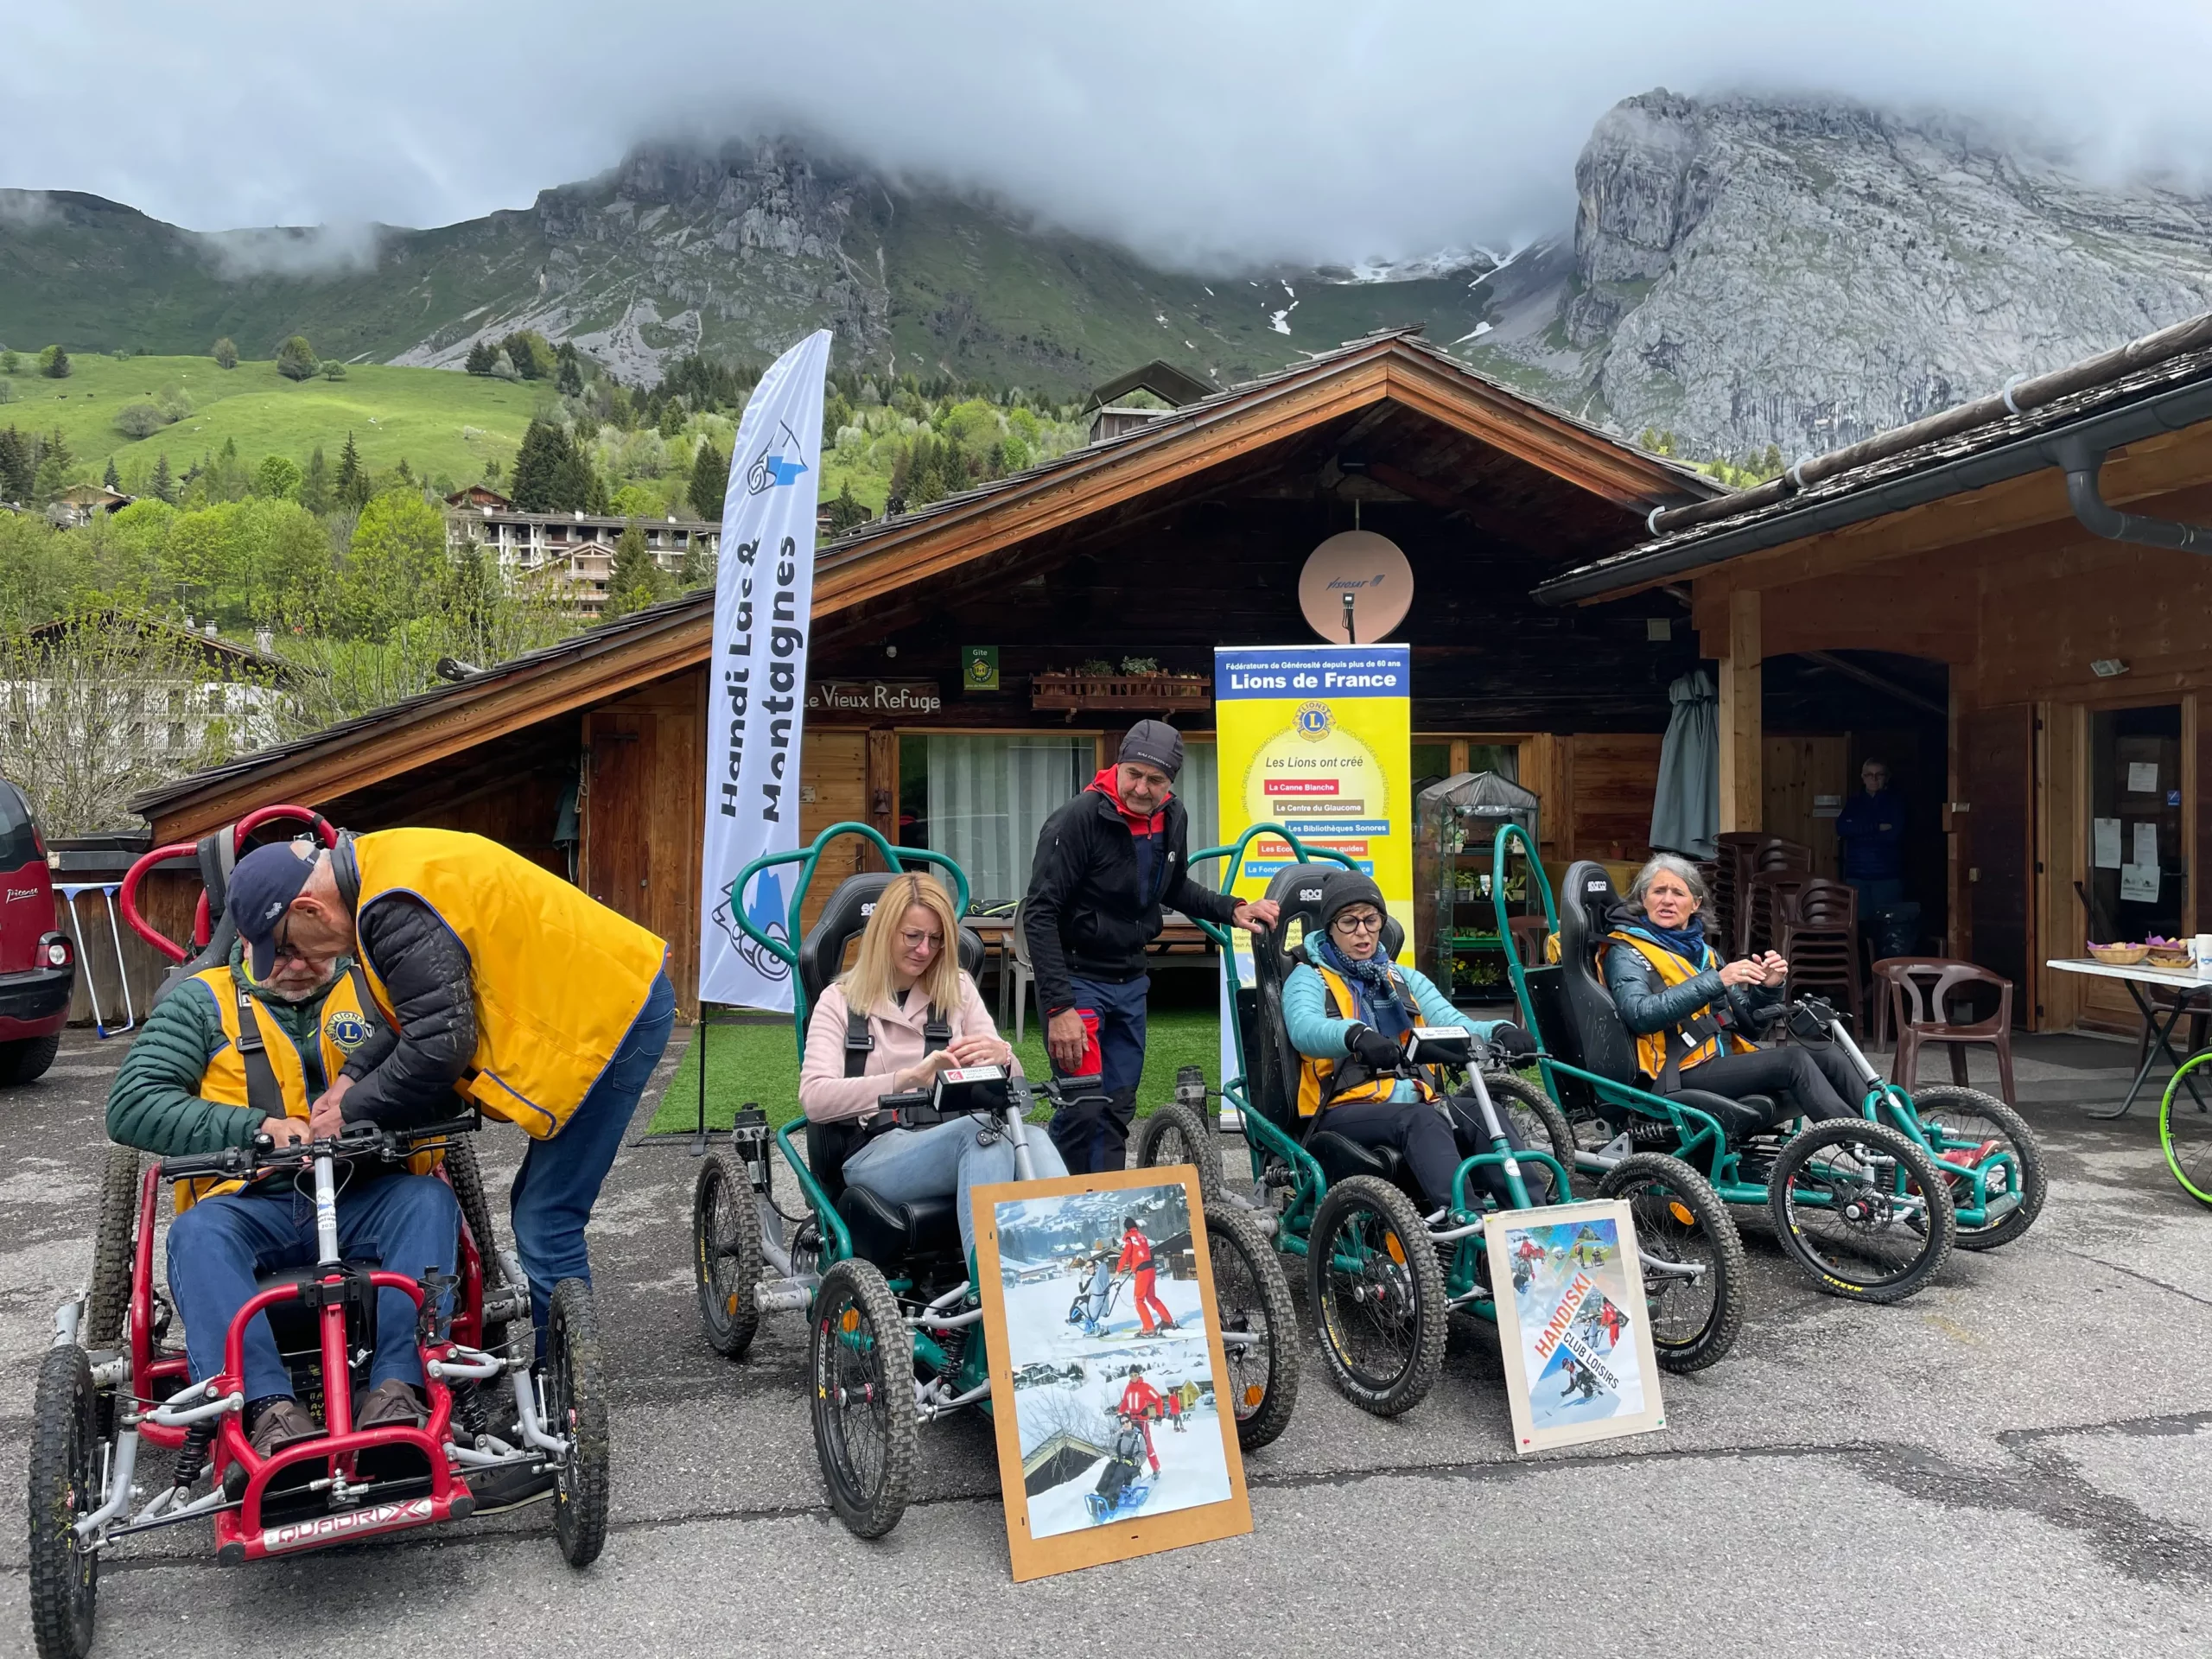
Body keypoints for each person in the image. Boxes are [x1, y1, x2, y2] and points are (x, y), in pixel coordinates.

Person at [223, 829, 676, 1347]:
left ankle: (563, 1382)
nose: (295, 962)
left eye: (286, 945)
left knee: (547, 1218)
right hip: (605, 997)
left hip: (613, 1017)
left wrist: (349, 1109)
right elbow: (417, 1013)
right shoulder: (379, 870)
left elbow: (439, 1047)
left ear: (310, 909)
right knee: (536, 1204)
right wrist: (353, 1073)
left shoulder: (390, 909)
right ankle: (565, 1353)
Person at [105, 940, 458, 1456]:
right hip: (250, 1202)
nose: (296, 964)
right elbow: (133, 1104)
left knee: (429, 1202)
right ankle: (265, 1413)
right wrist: (259, 1130)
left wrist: (366, 1112)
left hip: (366, 1191)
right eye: (279, 950)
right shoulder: (200, 1002)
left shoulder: (376, 991)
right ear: (245, 938)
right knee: (197, 1234)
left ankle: (399, 1391)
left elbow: (448, 1080)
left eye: (309, 950)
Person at [1024, 721, 1279, 1173]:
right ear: (1117, 766)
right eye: (1134, 774)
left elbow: (1172, 886)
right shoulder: (1077, 818)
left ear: (1170, 783)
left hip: (1131, 982)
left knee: (1118, 1107)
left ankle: (1097, 1199)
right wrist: (1058, 1006)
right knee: (1085, 1104)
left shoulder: (1171, 817)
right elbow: (1039, 914)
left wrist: (1232, 907)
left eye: (1156, 780)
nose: (1141, 788)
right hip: (1078, 982)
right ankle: (1067, 1196)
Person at [800, 871, 1067, 1262]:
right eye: (913, 936)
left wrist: (1005, 1060)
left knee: (1033, 1138)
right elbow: (814, 1099)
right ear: (885, 932)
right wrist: (909, 1078)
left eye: (936, 939)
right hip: (876, 1150)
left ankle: (1069, 1265)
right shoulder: (838, 1001)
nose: (925, 950)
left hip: (960, 1129)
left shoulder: (957, 989)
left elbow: (1019, 1097)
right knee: (984, 1138)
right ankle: (989, 1289)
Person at [1282, 868, 1547, 1217]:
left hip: (1414, 1099)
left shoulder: (1403, 978)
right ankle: (1464, 1223)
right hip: (1341, 1108)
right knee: (1421, 1120)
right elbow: (1305, 1028)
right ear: (1329, 927)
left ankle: (1532, 1216)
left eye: (1371, 920)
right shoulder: (1309, 977)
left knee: (1486, 1112)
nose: (1362, 932)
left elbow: (1454, 1022)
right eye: (1349, 922)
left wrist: (1499, 1030)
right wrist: (1355, 1035)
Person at [1603, 853, 1863, 1127]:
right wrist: (1715, 981)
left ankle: (1899, 1145)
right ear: (1644, 900)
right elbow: (1640, 1015)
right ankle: (1863, 1144)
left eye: (1678, 893)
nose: (1667, 900)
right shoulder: (1626, 951)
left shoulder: (1704, 953)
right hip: (1675, 1071)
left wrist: (1768, 987)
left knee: (1830, 1054)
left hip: (1720, 1059)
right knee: (1793, 1060)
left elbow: (1750, 1025)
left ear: (1695, 904)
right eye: (1658, 891)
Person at [1835, 758, 1906, 912]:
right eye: (1869, 775)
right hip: (1856, 876)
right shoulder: (1854, 802)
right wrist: (1876, 827)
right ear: (1863, 777)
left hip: (1887, 876)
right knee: (1861, 927)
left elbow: (1894, 835)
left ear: (1886, 777)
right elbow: (1842, 828)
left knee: (1886, 927)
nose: (1874, 779)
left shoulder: (1896, 803)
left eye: (1879, 774)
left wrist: (1858, 832)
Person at [1114, 1212, 1176, 1334]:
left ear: (1127, 1228)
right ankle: (1167, 1321)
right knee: (1151, 1297)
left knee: (1139, 1300)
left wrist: (1118, 1270)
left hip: (1142, 1271)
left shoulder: (1130, 1238)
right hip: (1151, 1269)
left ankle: (1149, 1328)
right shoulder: (1142, 1237)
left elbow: (1126, 1254)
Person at [1116, 1370, 1166, 1471]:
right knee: (1130, 1444)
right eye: (1131, 1375)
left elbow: (1158, 1399)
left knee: (1146, 1445)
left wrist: (1159, 1415)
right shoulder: (1128, 1388)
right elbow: (1125, 1402)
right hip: (1131, 1421)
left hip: (1142, 1421)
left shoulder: (1146, 1387)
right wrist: (1120, 1414)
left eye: (1135, 1375)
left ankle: (1156, 1469)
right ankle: (1131, 1470)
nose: (1133, 1377)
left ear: (1139, 1375)